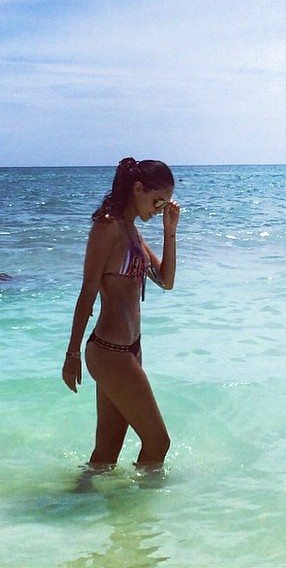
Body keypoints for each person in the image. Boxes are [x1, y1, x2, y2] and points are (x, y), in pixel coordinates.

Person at [62, 157, 180, 468]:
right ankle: (142, 501)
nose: (159, 209)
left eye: (165, 204)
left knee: (107, 452)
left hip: (130, 350)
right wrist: (72, 353)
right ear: (138, 188)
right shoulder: (107, 227)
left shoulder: (132, 231)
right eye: (158, 201)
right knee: (158, 441)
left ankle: (84, 496)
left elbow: (166, 280)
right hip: (109, 351)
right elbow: (87, 291)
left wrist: (169, 231)